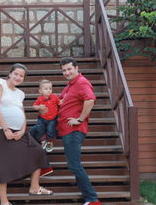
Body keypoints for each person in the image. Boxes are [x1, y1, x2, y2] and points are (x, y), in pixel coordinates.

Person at [0, 63, 53, 205]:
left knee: (37, 152)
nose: (18, 77)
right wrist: (6, 129)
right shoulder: (0, 84)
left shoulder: (20, 93)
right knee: (1, 164)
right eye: (16, 74)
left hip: (18, 132)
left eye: (21, 76)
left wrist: (23, 130)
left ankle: (34, 187)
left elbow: (22, 113)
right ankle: (4, 202)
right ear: (10, 73)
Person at [57, 57, 101, 205]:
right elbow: (60, 101)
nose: (67, 72)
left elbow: (90, 100)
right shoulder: (70, 85)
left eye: (69, 69)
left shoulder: (81, 82)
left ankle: (92, 199)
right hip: (64, 130)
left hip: (74, 131)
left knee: (74, 165)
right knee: (73, 165)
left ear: (76, 68)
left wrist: (80, 119)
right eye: (64, 70)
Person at [30, 79, 60, 152]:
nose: (49, 90)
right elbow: (34, 106)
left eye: (50, 88)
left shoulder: (54, 97)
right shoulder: (40, 99)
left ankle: (50, 142)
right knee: (40, 128)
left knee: (50, 129)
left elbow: (60, 103)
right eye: (46, 89)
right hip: (42, 118)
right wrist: (39, 107)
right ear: (40, 91)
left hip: (52, 119)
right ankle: (43, 141)